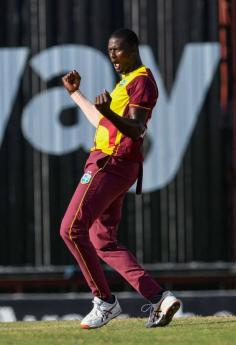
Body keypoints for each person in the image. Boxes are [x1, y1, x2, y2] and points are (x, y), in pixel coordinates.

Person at [60, 28, 181, 329]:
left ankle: (104, 301)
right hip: (116, 165)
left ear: (134, 48)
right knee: (102, 241)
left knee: (71, 228)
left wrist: (110, 115)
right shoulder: (126, 82)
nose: (113, 55)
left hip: (109, 164)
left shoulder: (142, 80)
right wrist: (76, 94)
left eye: (118, 49)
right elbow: (102, 121)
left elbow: (137, 129)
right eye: (110, 50)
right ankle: (159, 298)